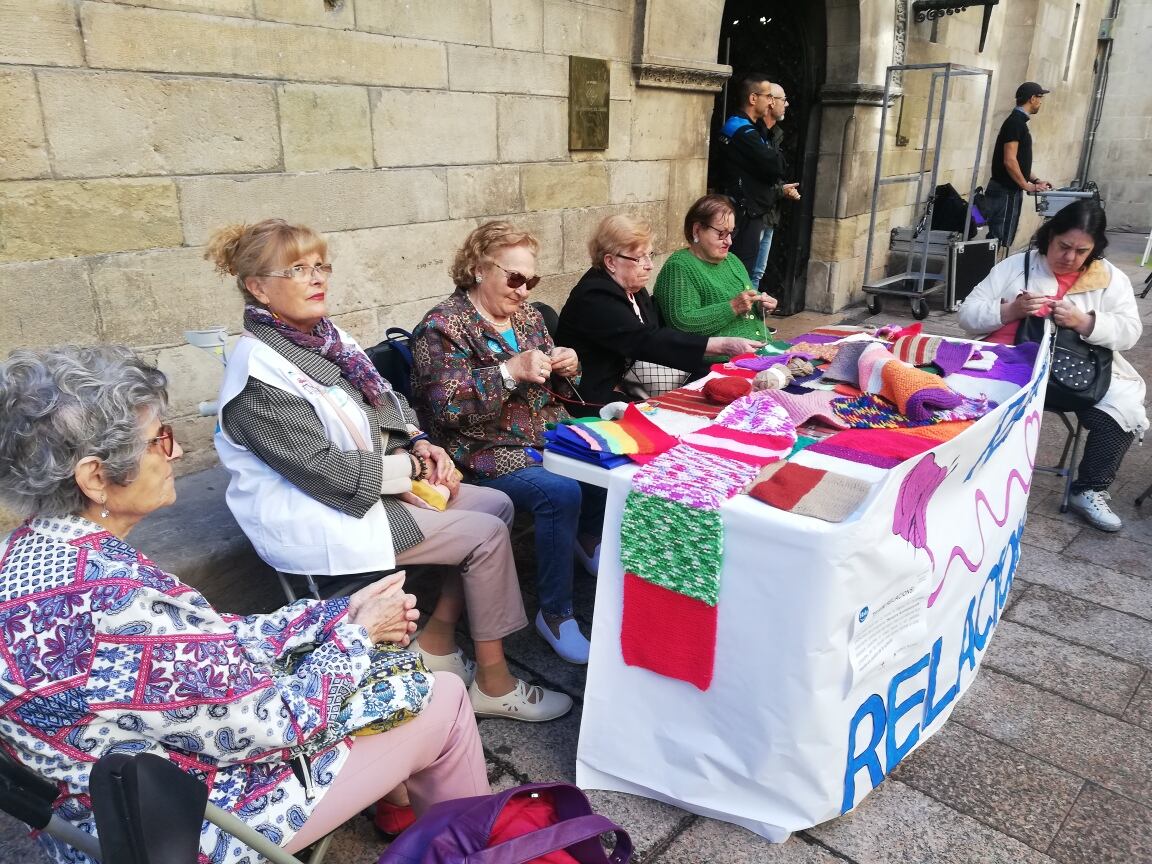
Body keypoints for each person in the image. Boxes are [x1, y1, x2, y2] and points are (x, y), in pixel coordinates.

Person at [0, 345, 490, 864]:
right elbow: (273, 721)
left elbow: (203, 640)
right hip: (197, 825)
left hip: (93, 821)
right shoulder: (114, 600)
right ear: (95, 477)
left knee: (383, 667)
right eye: (159, 440)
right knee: (444, 696)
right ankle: (473, 848)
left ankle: (401, 805)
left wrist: (330, 617)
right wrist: (357, 637)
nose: (178, 454)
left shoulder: (27, 558)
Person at [209, 219, 570, 723]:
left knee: (500, 503)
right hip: (330, 512)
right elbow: (328, 474)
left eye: (320, 266)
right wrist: (413, 464)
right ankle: (495, 681)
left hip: (378, 485)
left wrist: (422, 442)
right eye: (297, 269)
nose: (317, 279)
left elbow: (389, 401)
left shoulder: (325, 339)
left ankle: (438, 638)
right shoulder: (257, 374)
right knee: (485, 534)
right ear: (256, 287)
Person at [409, 221, 605, 665]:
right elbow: (443, 408)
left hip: (543, 434)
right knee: (560, 491)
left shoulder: (529, 316)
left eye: (530, 280)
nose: (523, 290)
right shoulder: (442, 327)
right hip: (482, 452)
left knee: (605, 452)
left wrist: (567, 366)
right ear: (478, 268)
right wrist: (507, 372)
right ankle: (555, 614)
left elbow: (552, 388)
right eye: (515, 278)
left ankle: (586, 539)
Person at [958, 200, 1147, 532]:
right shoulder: (1017, 266)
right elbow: (967, 314)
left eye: (1081, 250)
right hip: (1009, 360)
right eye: (1063, 246)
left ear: (1094, 248)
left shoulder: (1109, 278)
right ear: (1049, 236)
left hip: (1077, 370)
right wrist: (1010, 311)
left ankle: (1088, 488)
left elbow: (1130, 332)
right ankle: (965, 474)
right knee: (959, 395)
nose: (1070, 257)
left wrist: (1085, 321)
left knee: (1126, 407)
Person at [556, 214, 762, 413]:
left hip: (633, 379)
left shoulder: (633, 288)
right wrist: (720, 345)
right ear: (610, 262)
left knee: (708, 382)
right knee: (669, 416)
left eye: (650, 255)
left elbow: (654, 338)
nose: (649, 265)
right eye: (640, 258)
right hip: (594, 393)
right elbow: (644, 340)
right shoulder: (595, 296)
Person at [653, 193, 776, 352]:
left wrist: (762, 306)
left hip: (761, 350)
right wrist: (732, 307)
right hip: (722, 361)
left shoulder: (732, 261)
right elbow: (682, 323)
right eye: (721, 234)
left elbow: (749, 301)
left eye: (731, 233)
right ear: (697, 230)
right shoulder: (679, 266)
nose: (729, 241)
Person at [717, 73, 785, 277]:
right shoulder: (739, 128)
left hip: (753, 209)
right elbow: (775, 166)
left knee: (751, 270)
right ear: (753, 98)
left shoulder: (755, 129)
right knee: (741, 271)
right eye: (768, 96)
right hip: (744, 210)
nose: (771, 102)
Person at [982, 82, 1054, 248]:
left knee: (1001, 239)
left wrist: (1036, 181)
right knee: (999, 240)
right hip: (1005, 191)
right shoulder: (1015, 123)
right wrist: (1026, 185)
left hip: (1007, 191)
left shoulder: (1018, 122)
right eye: (1040, 97)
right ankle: (993, 272)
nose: (1041, 102)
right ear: (1032, 98)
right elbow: (1009, 160)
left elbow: (1019, 162)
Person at [748, 81, 802, 287]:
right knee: (748, 273)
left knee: (757, 273)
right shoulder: (753, 135)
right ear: (770, 102)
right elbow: (754, 180)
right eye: (783, 99)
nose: (786, 104)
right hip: (754, 214)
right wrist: (782, 190)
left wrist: (782, 190)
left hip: (769, 213)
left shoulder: (774, 134)